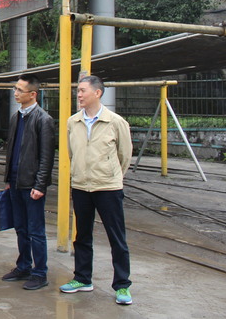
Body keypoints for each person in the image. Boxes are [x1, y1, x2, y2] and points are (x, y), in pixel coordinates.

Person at [60, 75, 134, 306]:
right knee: (82, 235)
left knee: (116, 237)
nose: (79, 94)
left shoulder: (115, 122)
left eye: (83, 90)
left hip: (108, 187)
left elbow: (125, 155)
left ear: (97, 93)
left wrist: (111, 176)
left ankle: (122, 285)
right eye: (78, 90)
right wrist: (79, 173)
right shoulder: (73, 122)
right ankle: (82, 278)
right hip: (81, 186)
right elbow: (71, 152)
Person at [0, 74, 56, 290]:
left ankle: (40, 273)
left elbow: (46, 157)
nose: (15, 93)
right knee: (21, 228)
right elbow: (12, 151)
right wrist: (8, 179)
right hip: (15, 182)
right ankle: (23, 266)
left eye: (20, 90)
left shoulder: (44, 120)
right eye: (15, 89)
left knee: (36, 230)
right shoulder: (16, 117)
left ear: (33, 94)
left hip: (32, 185)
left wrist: (40, 185)